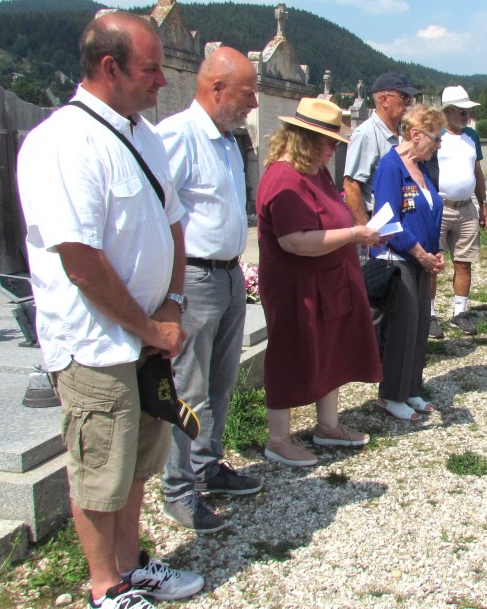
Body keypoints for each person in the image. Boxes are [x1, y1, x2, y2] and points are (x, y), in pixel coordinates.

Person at [16, 11, 203, 609]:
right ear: (109, 67)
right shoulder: (63, 143)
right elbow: (81, 261)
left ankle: (130, 564)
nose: (162, 81)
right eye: (151, 69)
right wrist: (150, 326)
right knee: (100, 469)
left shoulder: (141, 133)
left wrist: (171, 305)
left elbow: (173, 224)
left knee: (137, 463)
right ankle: (105, 587)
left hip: (149, 336)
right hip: (96, 345)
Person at [156, 47, 261, 534]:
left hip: (228, 274)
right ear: (217, 89)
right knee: (189, 389)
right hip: (195, 278)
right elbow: (158, 215)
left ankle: (207, 466)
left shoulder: (225, 141)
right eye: (247, 93)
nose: (253, 104)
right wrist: (172, 292)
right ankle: (178, 489)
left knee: (220, 382)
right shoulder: (177, 137)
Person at [255, 98, 384, 467]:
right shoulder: (284, 177)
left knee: (331, 348)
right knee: (288, 353)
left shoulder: (316, 171)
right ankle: (278, 439)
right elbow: (294, 241)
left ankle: (327, 426)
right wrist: (354, 234)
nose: (334, 149)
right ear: (306, 139)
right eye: (330, 142)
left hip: (328, 280)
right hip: (296, 287)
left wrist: (358, 232)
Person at [370, 104, 446, 421]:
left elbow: (429, 213)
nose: (438, 145)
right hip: (399, 259)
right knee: (403, 327)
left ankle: (411, 388)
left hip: (421, 260)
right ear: (415, 134)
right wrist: (420, 253)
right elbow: (388, 222)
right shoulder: (391, 167)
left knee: (419, 325)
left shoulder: (423, 168)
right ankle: (391, 395)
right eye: (436, 138)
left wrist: (435, 252)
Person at [429, 85, 487, 338]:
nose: (467, 116)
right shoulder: (435, 135)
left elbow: (477, 172)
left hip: (466, 208)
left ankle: (459, 312)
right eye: (462, 112)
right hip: (439, 207)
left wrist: (483, 204)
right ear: (448, 111)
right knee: (432, 263)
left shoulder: (472, 137)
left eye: (468, 112)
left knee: (464, 262)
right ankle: (429, 314)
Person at [343, 72, 420, 225]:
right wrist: (365, 229)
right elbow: (351, 186)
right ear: (384, 100)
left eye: (410, 98)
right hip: (378, 221)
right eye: (404, 97)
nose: (409, 104)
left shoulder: (403, 133)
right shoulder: (366, 135)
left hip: (402, 217)